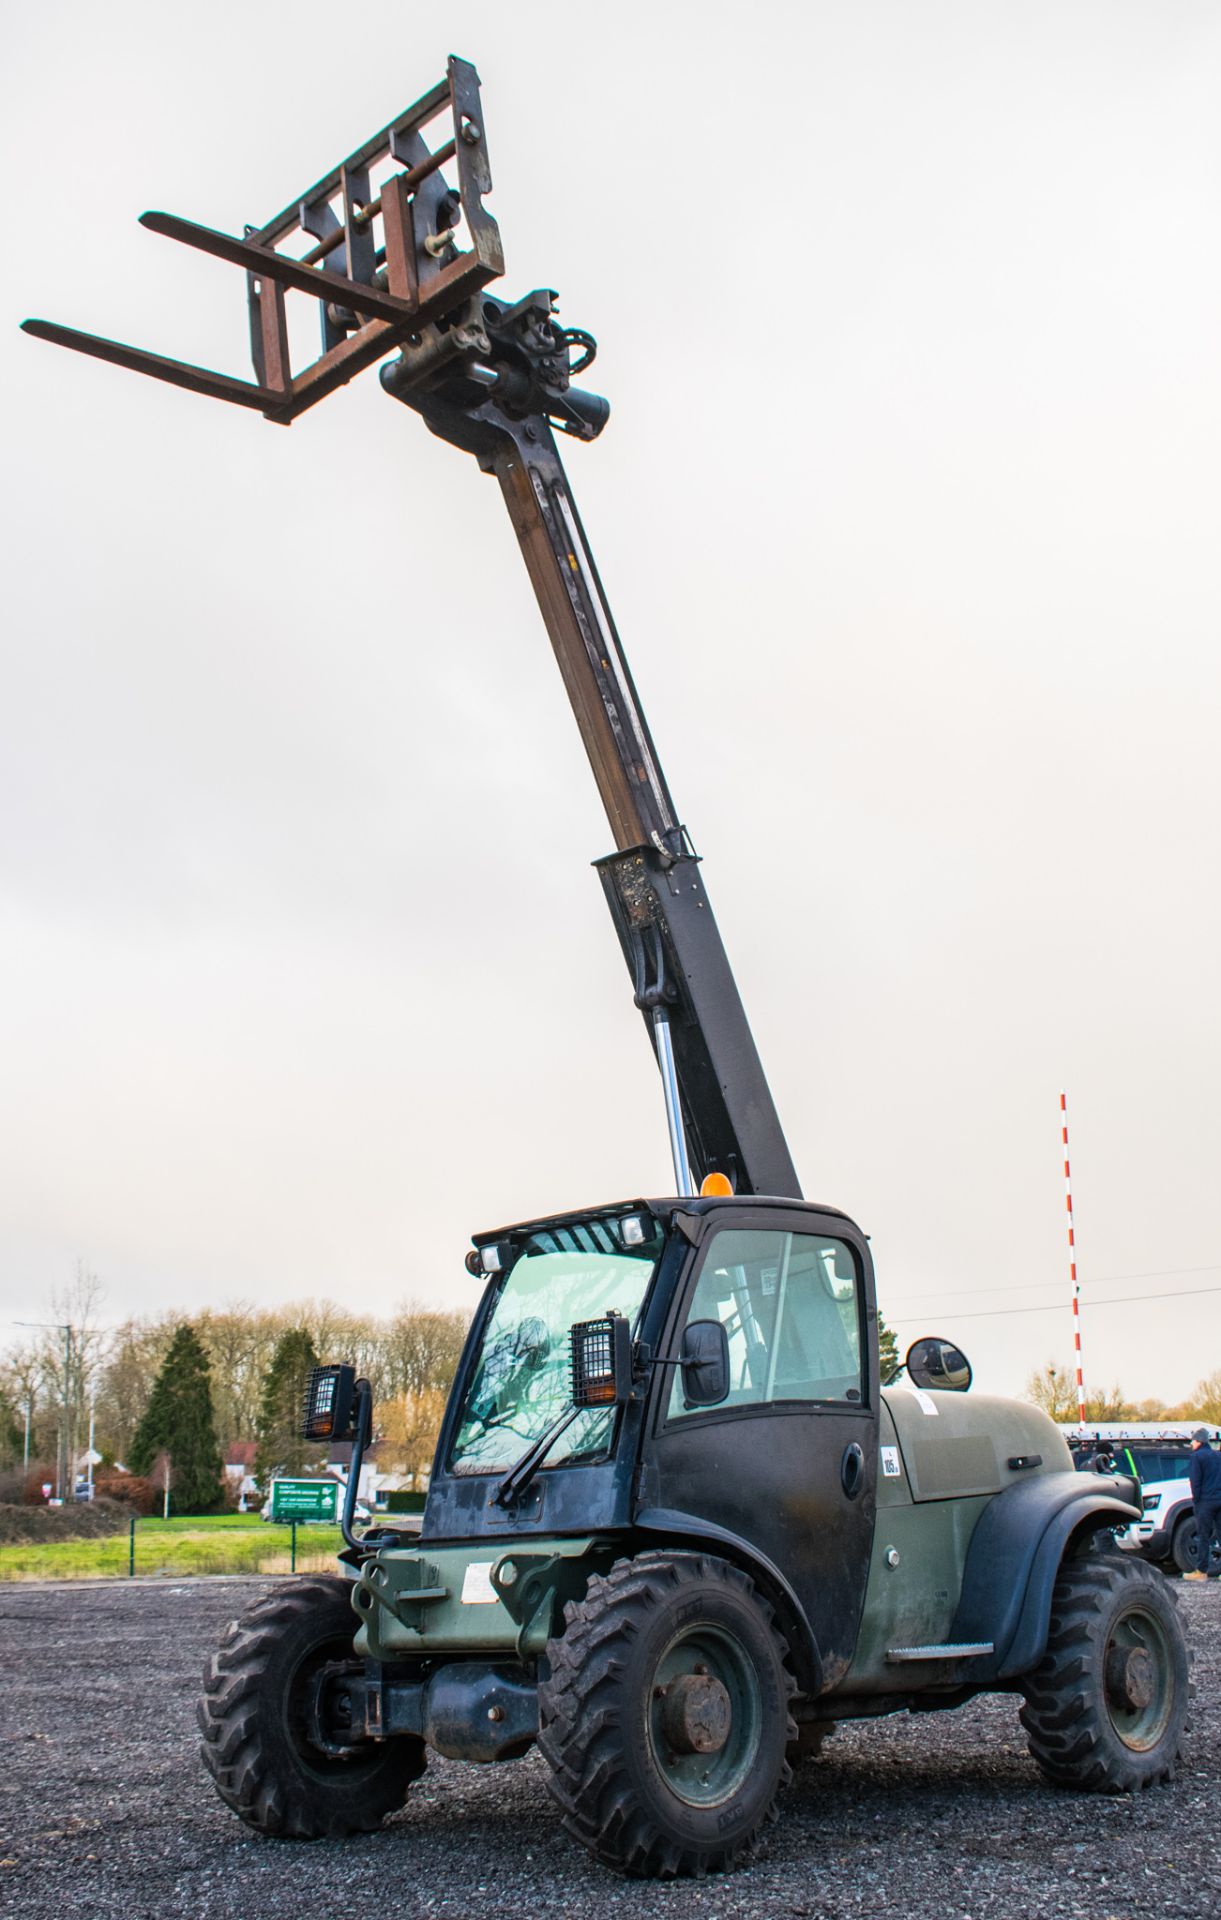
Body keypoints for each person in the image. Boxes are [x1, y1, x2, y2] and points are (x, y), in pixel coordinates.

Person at [1185, 1428, 1221, 1580]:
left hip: (1205, 1501)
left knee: (1203, 1536)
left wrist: (1196, 1499)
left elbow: (1195, 1481)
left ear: (1199, 1441)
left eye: (1192, 1441)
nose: (1191, 1444)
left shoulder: (1197, 1457)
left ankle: (1201, 1571)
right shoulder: (1218, 1455)